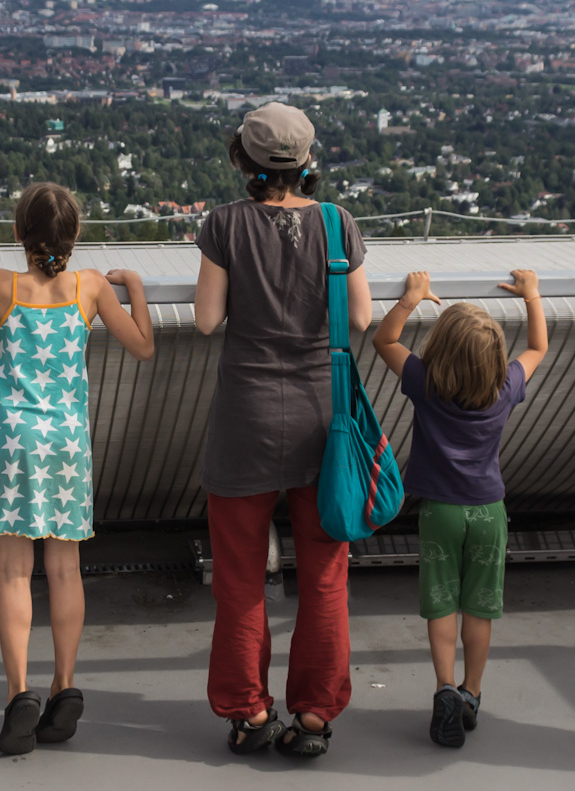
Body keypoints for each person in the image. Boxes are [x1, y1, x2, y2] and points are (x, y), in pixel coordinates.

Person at [0, 181, 154, 756]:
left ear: (17, 235)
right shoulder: (92, 287)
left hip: (14, 442)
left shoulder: (2, 286)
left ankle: (19, 693)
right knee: (65, 571)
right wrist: (137, 290)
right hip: (67, 447)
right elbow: (144, 346)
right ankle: (65, 684)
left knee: (13, 573)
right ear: (74, 237)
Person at [194, 102, 372, 759]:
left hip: (245, 418)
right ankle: (316, 714)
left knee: (241, 577)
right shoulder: (338, 224)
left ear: (242, 159)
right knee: (326, 576)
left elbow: (208, 320)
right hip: (323, 423)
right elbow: (360, 317)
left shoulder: (225, 225)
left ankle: (249, 711)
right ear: (306, 162)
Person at [372, 268, 547, 748]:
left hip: (440, 513)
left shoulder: (425, 382)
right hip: (489, 512)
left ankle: (445, 686)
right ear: (495, 357)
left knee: (442, 604)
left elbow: (384, 341)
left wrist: (411, 298)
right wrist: (532, 296)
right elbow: (537, 349)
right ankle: (471, 693)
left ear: (440, 349)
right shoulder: (504, 387)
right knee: (479, 608)